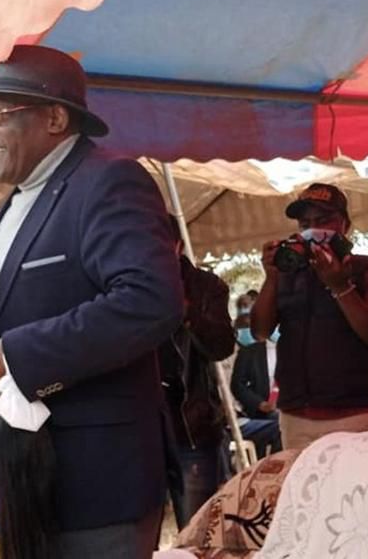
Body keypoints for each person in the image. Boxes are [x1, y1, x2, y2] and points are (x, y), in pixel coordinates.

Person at [0, 45, 184, 559]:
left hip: (95, 479)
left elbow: (150, 299)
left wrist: (14, 354)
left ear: (54, 117)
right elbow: (6, 311)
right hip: (26, 479)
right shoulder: (8, 208)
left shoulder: (108, 181)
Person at [251, 183, 368, 450]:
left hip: (355, 415)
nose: (313, 229)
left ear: (345, 224)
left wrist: (341, 287)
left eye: (323, 220)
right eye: (305, 223)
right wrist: (271, 277)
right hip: (295, 416)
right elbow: (260, 332)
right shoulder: (288, 274)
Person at [158, 216, 235, 527]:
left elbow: (221, 347)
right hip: (143, 429)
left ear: (176, 245)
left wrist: (187, 310)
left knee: (195, 531)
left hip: (192, 426)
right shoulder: (125, 285)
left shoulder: (206, 287)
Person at [229, 302, 282, 461]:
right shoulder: (249, 352)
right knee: (277, 424)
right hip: (259, 412)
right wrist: (260, 404)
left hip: (286, 407)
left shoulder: (292, 351)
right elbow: (237, 385)